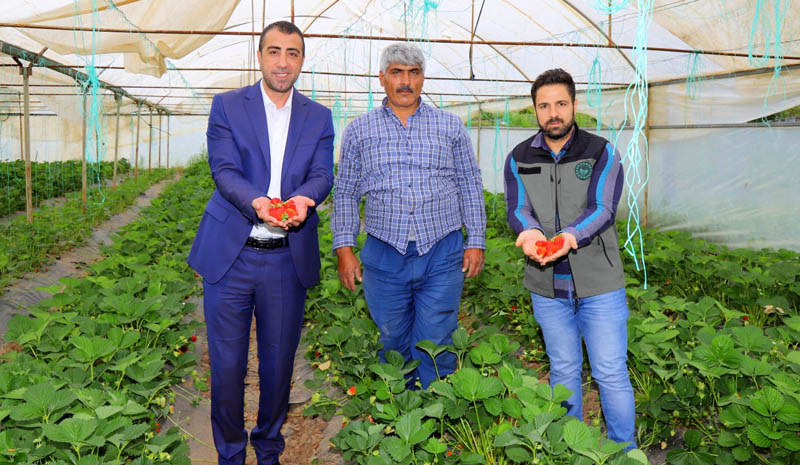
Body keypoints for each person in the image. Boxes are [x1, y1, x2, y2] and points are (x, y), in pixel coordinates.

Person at [187, 21, 334, 465]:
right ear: (260, 56)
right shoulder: (228, 106)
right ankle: (230, 453)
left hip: (285, 261)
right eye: (274, 51)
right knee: (227, 367)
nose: (283, 61)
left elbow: (323, 174)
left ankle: (268, 448)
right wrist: (258, 203)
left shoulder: (318, 116)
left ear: (302, 60)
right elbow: (224, 170)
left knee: (278, 364)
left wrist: (306, 198)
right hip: (232, 256)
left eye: (292, 53)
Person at [332, 42, 486, 389]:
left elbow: (470, 184)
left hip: (442, 250)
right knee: (392, 338)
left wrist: (475, 240)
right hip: (385, 253)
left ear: (422, 78)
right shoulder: (359, 130)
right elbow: (345, 192)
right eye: (397, 73)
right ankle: (401, 410)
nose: (406, 81)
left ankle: (432, 410)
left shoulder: (450, 127)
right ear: (382, 78)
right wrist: (344, 249)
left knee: (435, 337)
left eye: (413, 73)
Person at [503, 68, 636, 448]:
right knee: (563, 370)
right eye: (544, 106)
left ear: (575, 105)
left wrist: (568, 237)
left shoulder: (600, 151)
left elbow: (604, 208)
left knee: (610, 372)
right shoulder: (519, 157)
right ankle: (569, 448)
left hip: (600, 283)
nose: (553, 113)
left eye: (561, 103)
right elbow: (517, 208)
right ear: (535, 110)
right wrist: (528, 231)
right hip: (546, 286)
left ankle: (624, 450)